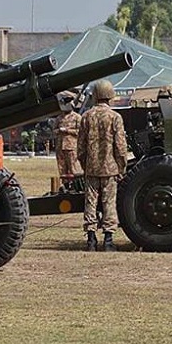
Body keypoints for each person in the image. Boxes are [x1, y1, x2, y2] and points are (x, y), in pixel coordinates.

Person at [77, 79, 128, 252]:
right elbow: (120, 147)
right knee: (109, 203)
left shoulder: (86, 117)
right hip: (110, 168)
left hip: (91, 168)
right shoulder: (115, 117)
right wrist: (122, 167)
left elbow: (81, 147)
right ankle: (108, 240)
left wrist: (85, 165)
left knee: (90, 202)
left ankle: (91, 239)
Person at [54, 95, 83, 188]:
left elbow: (80, 132)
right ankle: (65, 187)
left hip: (72, 147)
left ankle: (77, 187)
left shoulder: (77, 117)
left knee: (74, 170)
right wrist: (59, 130)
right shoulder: (59, 118)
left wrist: (67, 130)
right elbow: (54, 131)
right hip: (60, 147)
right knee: (62, 170)